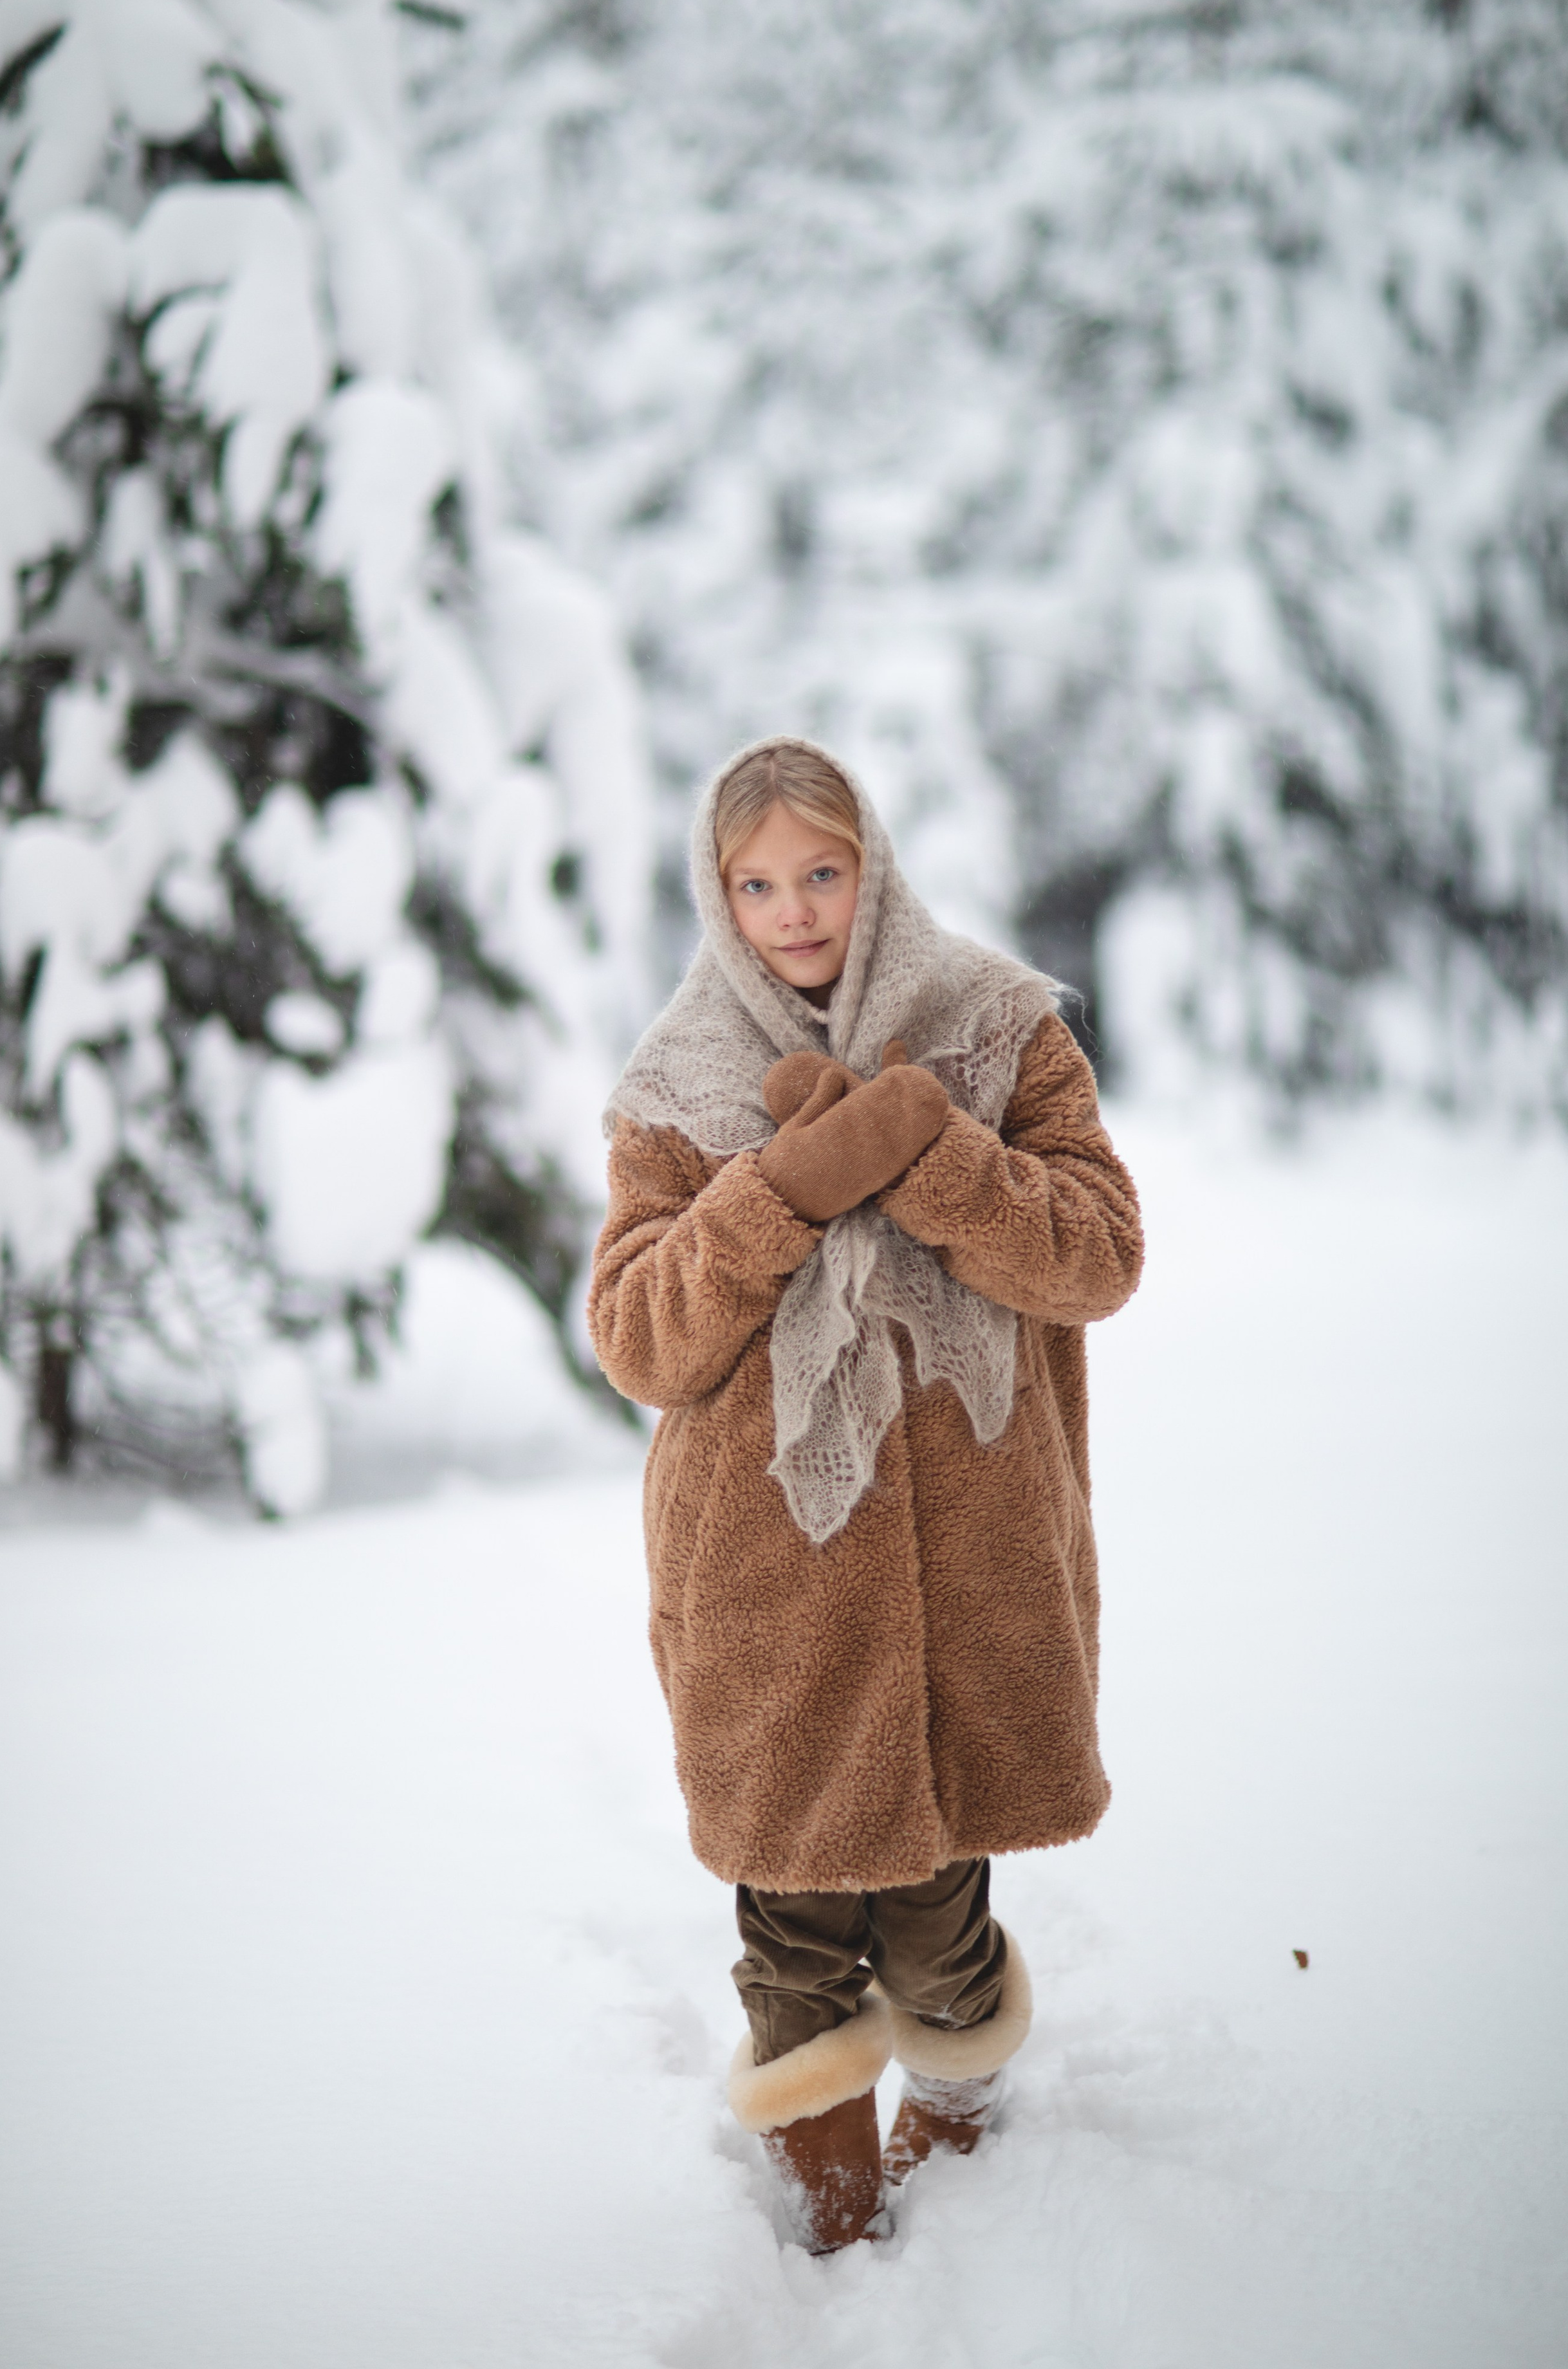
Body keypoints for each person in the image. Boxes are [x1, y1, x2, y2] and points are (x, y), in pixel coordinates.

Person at [587, 738, 1143, 2254]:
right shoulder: (676, 1085)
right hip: (769, 1586)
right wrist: (780, 1189)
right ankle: (831, 2223)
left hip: (971, 1568)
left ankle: (964, 2143)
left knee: (935, 1920)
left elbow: (1096, 1252)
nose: (792, 910)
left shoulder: (994, 1027)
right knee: (793, 1923)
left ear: (872, 864)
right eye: (754, 884)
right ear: (717, 895)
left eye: (819, 872)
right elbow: (638, 1334)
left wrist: (931, 1158)